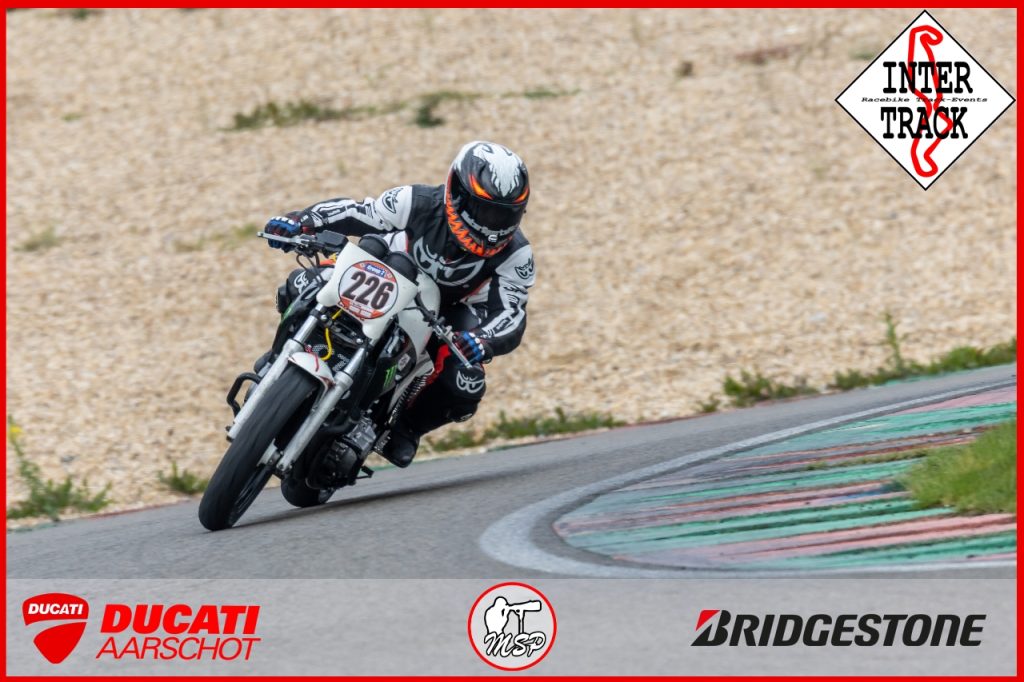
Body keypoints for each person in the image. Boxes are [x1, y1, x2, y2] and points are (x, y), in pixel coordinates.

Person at [264, 141, 535, 468]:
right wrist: (302, 221)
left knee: (466, 383)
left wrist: (482, 339)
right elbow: (358, 212)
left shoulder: (518, 255)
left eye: (504, 215)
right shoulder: (415, 201)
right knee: (302, 282)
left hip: (449, 312)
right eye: (485, 211)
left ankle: (404, 428)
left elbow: (511, 312)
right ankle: (279, 357)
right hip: (384, 267)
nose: (492, 226)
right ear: (457, 193)